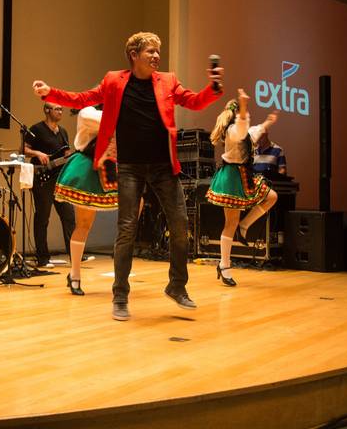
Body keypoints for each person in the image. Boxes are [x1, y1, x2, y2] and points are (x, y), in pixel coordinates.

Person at [33, 31, 222, 321]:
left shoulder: (168, 81)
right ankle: (120, 295)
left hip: (162, 166)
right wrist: (50, 92)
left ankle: (177, 286)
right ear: (134, 55)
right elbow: (82, 98)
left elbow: (195, 101)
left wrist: (214, 86)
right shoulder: (114, 80)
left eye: (158, 51)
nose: (157, 56)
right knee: (126, 230)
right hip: (130, 166)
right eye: (150, 51)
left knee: (181, 224)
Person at [206, 90, 278, 286]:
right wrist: (244, 106)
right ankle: (224, 265)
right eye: (243, 112)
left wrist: (269, 122)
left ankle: (245, 226)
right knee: (230, 223)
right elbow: (243, 126)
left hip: (244, 176)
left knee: (271, 197)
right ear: (237, 114)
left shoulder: (245, 133)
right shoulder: (233, 132)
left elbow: (255, 129)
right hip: (230, 178)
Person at [53, 106, 118, 295]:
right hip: (87, 169)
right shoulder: (87, 112)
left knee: (136, 204)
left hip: (110, 167)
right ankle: (75, 275)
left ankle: (121, 259)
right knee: (83, 225)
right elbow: (110, 122)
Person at [24, 102, 76, 268]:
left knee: (69, 216)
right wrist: (37, 153)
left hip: (60, 179)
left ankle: (74, 254)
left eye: (61, 109)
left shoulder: (63, 132)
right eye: (57, 108)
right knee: (42, 218)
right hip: (43, 179)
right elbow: (23, 149)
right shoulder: (37, 129)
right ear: (47, 110)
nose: (60, 111)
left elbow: (66, 154)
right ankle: (42, 258)